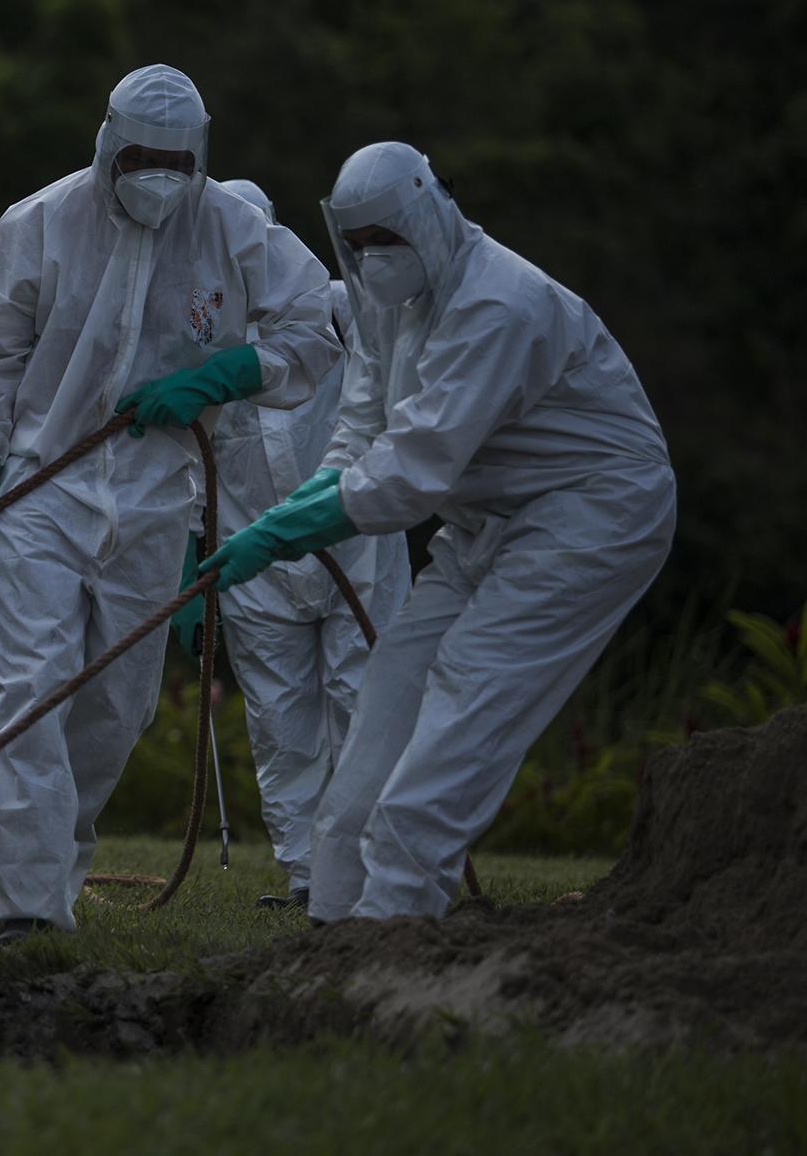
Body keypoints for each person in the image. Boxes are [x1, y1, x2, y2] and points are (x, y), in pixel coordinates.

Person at [198, 142, 676, 922]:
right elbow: (361, 428)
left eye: (384, 240)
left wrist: (281, 533)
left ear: (430, 213)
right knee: (395, 683)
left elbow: (413, 470)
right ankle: (335, 915)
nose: (370, 259)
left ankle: (395, 917)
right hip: (485, 521)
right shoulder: (388, 301)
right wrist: (296, 511)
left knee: (469, 688)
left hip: (591, 512)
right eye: (355, 246)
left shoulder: (497, 304)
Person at [0, 65, 340, 939]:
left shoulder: (234, 228)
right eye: (142, 156)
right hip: (44, 491)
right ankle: (15, 907)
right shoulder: (37, 224)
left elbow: (313, 325)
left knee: (116, 706)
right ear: (108, 141)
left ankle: (55, 871)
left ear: (201, 156)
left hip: (159, 498)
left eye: (177, 161)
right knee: (34, 688)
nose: (159, 175)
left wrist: (229, 374)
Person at [187, 177, 411, 910]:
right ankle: (307, 875)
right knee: (282, 725)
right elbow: (188, 462)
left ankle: (372, 868)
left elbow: (393, 387)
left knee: (365, 707)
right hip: (253, 564)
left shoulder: (339, 313)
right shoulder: (194, 335)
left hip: (355, 542)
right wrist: (188, 555)